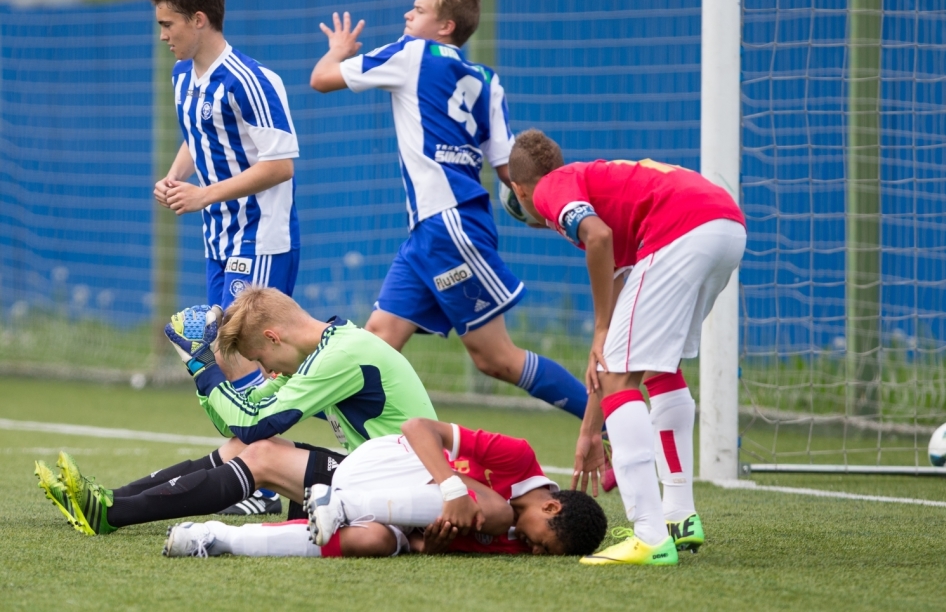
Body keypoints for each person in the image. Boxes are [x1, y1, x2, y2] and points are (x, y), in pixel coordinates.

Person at [307, 0, 587, 419]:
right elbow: (509, 173)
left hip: (449, 223)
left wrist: (338, 50)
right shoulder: (487, 80)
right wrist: (547, 213)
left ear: (445, 26)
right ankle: (336, 427)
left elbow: (321, 78)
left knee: (495, 358)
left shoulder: (411, 52)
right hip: (434, 229)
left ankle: (606, 421)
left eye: (418, 10)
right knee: (378, 340)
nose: (408, 14)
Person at [507, 130, 747, 566]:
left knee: (621, 373)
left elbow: (596, 236)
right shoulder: (597, 186)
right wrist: (589, 430)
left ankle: (649, 535)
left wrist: (600, 329)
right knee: (658, 367)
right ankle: (679, 516)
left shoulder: (549, 189)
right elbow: (616, 330)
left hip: (683, 229)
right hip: (725, 224)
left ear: (519, 189)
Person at [33, 288, 437, 536]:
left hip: (406, 487)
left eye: (259, 357)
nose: (266, 368)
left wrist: (203, 367)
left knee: (263, 454)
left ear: (273, 337)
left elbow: (254, 424)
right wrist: (202, 373)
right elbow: (239, 423)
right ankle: (105, 500)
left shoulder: (342, 355)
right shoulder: (323, 351)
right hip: (375, 473)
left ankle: (112, 513)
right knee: (240, 448)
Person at [150, 0, 303, 514]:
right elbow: (198, 137)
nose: (162, 35)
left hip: (260, 237)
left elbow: (281, 164)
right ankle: (261, 469)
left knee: (236, 350)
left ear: (199, 19)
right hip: (220, 238)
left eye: (168, 24)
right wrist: (176, 177)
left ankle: (263, 480)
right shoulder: (183, 76)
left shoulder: (251, 80)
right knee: (228, 349)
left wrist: (205, 195)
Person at [163, 418, 607, 558]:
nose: (534, 552)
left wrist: (430, 547)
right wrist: (452, 487)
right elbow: (417, 428)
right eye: (545, 546)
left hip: (381, 511)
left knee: (372, 542)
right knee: (496, 510)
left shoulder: (514, 544)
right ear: (551, 508)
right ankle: (340, 505)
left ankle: (214, 538)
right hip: (381, 464)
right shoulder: (518, 458)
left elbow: (417, 542)